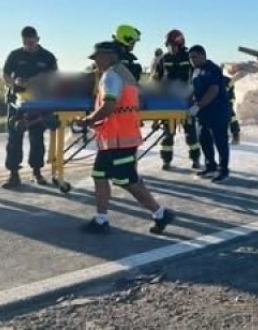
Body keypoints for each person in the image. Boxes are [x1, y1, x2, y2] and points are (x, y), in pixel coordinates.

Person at [75, 41, 175, 234]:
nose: (96, 62)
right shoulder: (125, 74)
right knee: (100, 175)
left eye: (98, 57)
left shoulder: (111, 76)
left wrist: (87, 120)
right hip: (116, 137)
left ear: (110, 55)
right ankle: (101, 219)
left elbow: (109, 106)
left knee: (126, 180)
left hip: (120, 138)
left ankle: (161, 213)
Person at [0, 26, 58, 188]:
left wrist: (41, 81)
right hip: (17, 101)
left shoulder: (47, 56)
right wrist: (14, 83)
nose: (29, 45)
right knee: (14, 138)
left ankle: (37, 172)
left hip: (38, 102)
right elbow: (4, 74)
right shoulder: (15, 55)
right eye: (26, 43)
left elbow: (55, 77)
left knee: (37, 137)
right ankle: (13, 174)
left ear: (38, 39)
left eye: (31, 42)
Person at [151, 29, 201, 170]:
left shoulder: (189, 57)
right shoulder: (163, 59)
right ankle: (166, 161)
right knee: (168, 134)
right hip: (168, 102)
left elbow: (198, 75)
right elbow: (156, 80)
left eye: (173, 45)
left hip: (186, 100)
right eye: (168, 45)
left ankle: (195, 159)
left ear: (180, 44)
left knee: (190, 133)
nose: (170, 48)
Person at [188, 45, 231, 183]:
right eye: (190, 58)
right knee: (204, 139)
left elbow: (213, 90)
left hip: (217, 111)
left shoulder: (212, 69)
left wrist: (197, 106)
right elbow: (192, 89)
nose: (192, 60)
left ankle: (223, 170)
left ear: (203, 55)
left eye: (194, 57)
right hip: (203, 114)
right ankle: (210, 166)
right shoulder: (195, 71)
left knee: (220, 142)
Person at [221, 66, 241, 144]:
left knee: (231, 118)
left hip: (227, 102)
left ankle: (236, 136)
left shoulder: (227, 80)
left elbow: (230, 90)